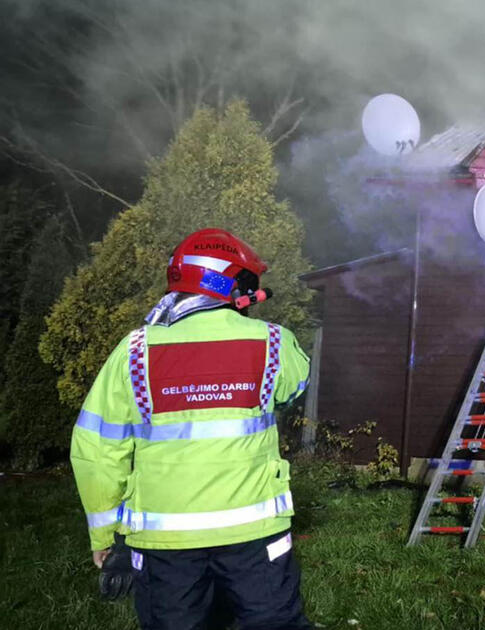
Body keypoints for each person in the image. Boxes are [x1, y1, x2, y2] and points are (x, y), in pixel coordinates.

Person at [70, 228, 311, 629]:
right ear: (231, 283)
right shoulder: (272, 341)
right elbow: (293, 386)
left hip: (164, 543)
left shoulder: (134, 351)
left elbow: (96, 450)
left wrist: (106, 537)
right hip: (255, 536)